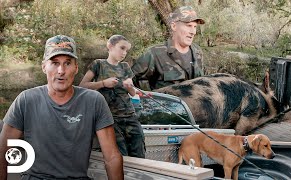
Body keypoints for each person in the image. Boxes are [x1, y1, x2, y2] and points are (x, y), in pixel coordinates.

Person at [0, 35, 124, 180]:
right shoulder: (26, 100)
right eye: (54, 63)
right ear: (44, 67)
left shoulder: (94, 101)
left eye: (67, 63)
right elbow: (3, 150)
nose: (61, 70)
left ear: (76, 68)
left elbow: (112, 156)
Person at [79, 35, 145, 158]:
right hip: (110, 119)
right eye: (122, 48)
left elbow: (132, 93)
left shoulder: (125, 67)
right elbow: (82, 86)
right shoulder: (98, 64)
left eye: (126, 50)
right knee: (120, 155)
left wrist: (129, 86)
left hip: (130, 116)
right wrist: (103, 83)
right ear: (110, 46)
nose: (124, 52)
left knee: (139, 153)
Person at [131, 6, 205, 90]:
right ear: (174, 26)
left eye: (195, 27)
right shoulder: (154, 54)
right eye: (188, 26)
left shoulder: (197, 51)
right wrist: (150, 98)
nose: (193, 32)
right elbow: (131, 81)